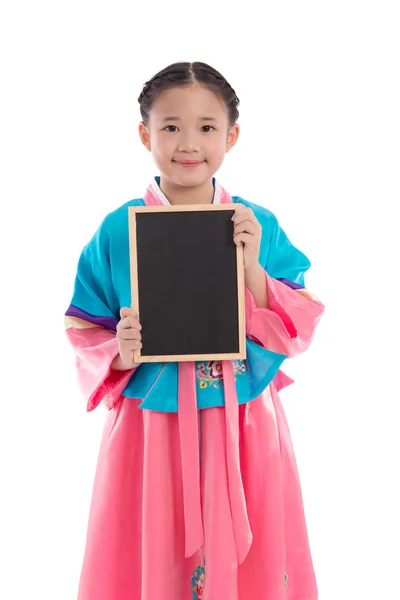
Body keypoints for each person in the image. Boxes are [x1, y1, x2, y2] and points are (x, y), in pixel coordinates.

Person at [65, 61, 325, 600]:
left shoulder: (256, 222)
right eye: (170, 126)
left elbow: (300, 321)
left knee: (249, 555)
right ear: (145, 134)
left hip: (243, 418)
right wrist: (120, 350)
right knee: (151, 542)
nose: (189, 143)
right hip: (151, 423)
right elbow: (83, 322)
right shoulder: (119, 228)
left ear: (231, 135)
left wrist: (253, 269)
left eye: (207, 127)